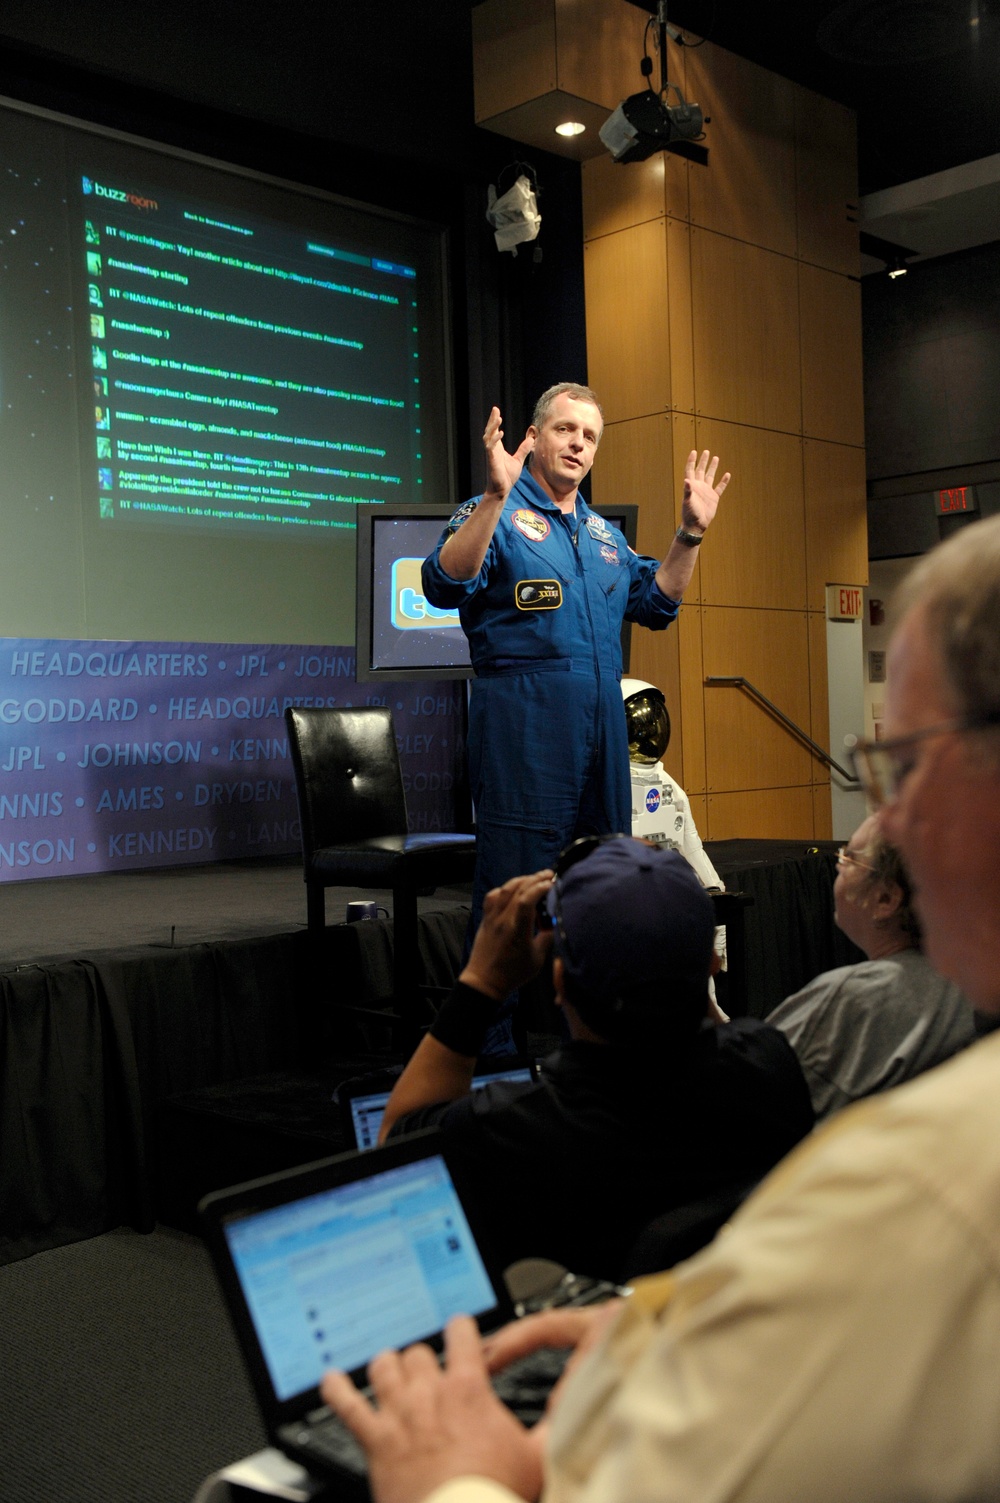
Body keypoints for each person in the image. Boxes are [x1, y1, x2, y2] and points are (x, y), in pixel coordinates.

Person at [322, 513, 1000, 1503]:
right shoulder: (773, 1075)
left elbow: (401, 1154)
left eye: (900, 762)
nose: (882, 820)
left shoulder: (910, 1193)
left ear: (559, 980)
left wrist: (451, 1483)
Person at [378, 838, 813, 1280]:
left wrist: (482, 981)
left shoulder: (510, 1132)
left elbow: (397, 1145)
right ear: (714, 963)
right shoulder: (769, 1064)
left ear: (560, 981)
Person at [421, 385, 730, 964]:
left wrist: (690, 533)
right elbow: (442, 582)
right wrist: (494, 495)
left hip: (601, 739)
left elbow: (657, 603)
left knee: (602, 899)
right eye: (566, 429)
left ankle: (588, 1040)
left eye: (589, 437)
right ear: (534, 437)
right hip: (524, 732)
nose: (578, 444)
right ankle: (492, 1052)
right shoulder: (496, 513)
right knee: (512, 899)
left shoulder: (603, 535)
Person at [767, 814, 975, 1117]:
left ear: (886, 899)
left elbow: (739, 1094)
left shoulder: (852, 999)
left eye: (849, 859)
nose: (838, 865)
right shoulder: (974, 984)